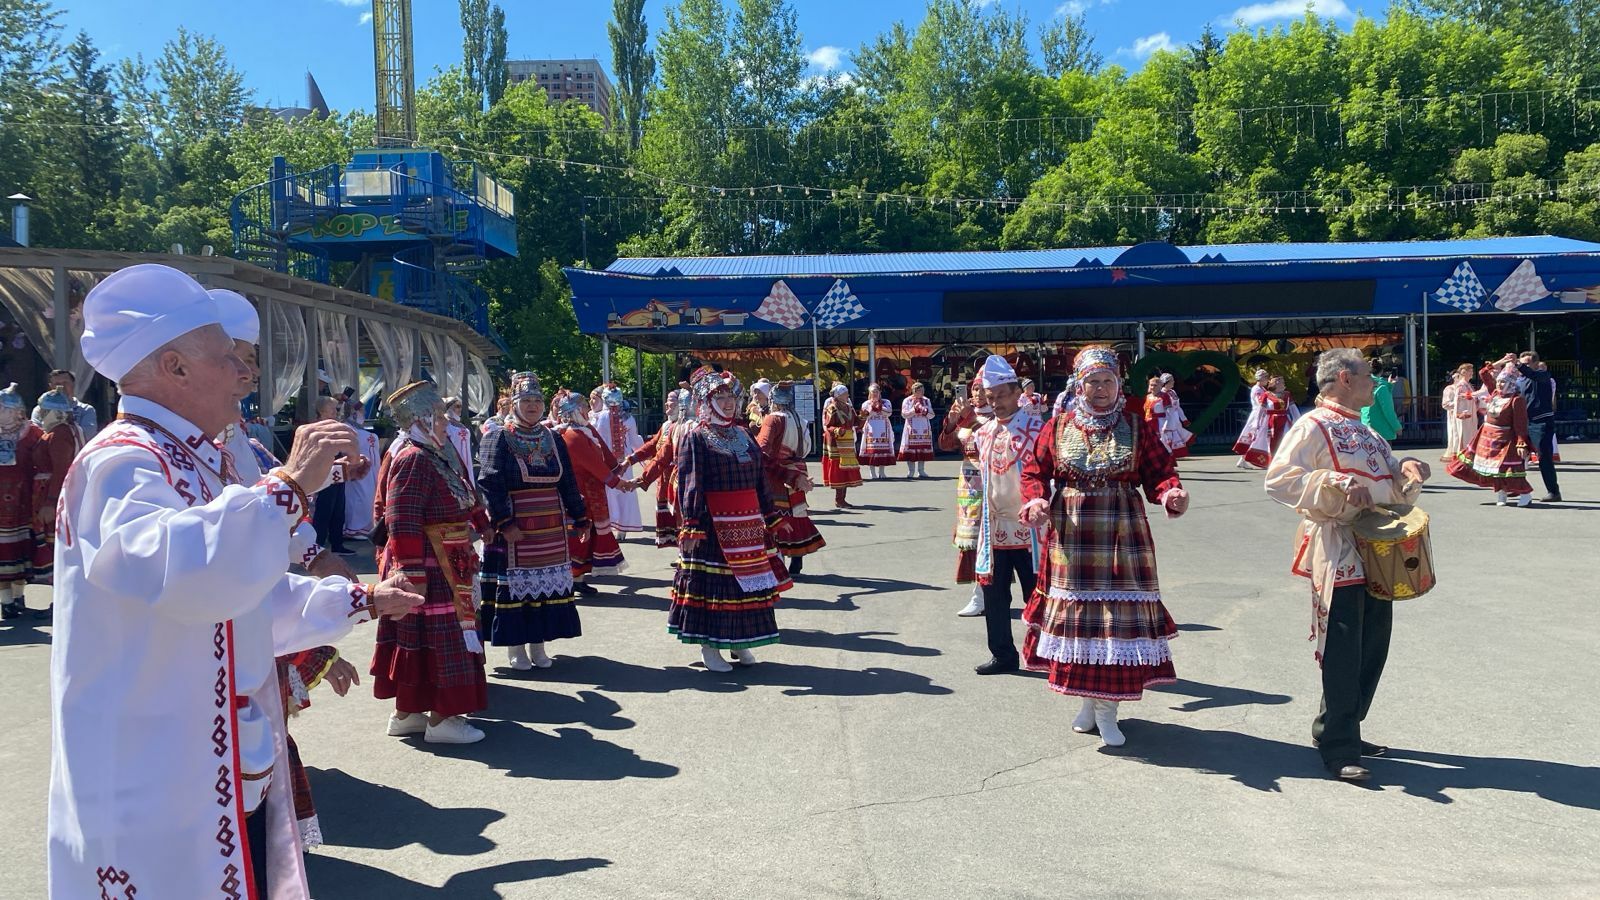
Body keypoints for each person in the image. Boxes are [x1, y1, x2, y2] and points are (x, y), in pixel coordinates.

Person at [49, 262, 421, 898]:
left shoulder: (194, 457)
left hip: (210, 767)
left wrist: (357, 598)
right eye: (229, 358)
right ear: (175, 367)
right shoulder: (123, 461)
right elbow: (185, 574)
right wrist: (287, 489)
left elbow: (240, 596)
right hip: (157, 776)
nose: (245, 375)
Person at [1265, 348, 1430, 782]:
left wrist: (1407, 469)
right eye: (1367, 375)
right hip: (1338, 546)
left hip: (1379, 548)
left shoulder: (1369, 433)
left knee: (1373, 643)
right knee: (1343, 647)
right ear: (1343, 377)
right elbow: (1279, 480)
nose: (1374, 382)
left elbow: (1389, 482)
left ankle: (1341, 726)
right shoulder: (1312, 426)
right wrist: (1334, 482)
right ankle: (1339, 747)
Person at [1020, 347, 1189, 747]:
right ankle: (1086, 703)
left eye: (1108, 381)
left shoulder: (1136, 424)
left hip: (1122, 531)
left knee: (1116, 623)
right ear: (1079, 385)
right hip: (1071, 533)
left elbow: (1160, 471)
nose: (1101, 389)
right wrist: (1035, 499)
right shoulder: (1057, 424)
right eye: (1093, 381)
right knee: (1080, 623)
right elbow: (1034, 471)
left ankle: (1108, 711)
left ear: (1118, 384)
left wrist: (1170, 494)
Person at [372, 380, 492, 745]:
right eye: (439, 416)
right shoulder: (413, 459)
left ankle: (407, 713)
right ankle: (443, 720)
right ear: (421, 419)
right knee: (445, 638)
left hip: (447, 559)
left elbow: (465, 496)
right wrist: (411, 572)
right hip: (432, 563)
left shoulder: (433, 454)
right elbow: (400, 518)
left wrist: (483, 524)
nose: (446, 422)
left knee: (422, 635)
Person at [669, 366, 792, 673]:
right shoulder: (696, 438)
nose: (727, 403)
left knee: (745, 586)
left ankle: (740, 642)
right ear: (706, 401)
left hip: (748, 525)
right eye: (719, 397)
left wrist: (772, 516)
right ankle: (710, 647)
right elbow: (691, 483)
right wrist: (692, 523)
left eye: (730, 397)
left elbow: (759, 479)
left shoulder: (744, 435)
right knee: (716, 587)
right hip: (714, 525)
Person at [477, 372, 589, 671]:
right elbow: (490, 482)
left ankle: (538, 645)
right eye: (525, 400)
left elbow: (567, 481)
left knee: (547, 589)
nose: (532, 406)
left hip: (550, 527)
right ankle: (516, 648)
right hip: (516, 527)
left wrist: (580, 516)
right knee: (515, 589)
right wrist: (504, 522)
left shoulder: (552, 438)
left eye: (537, 400)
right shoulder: (498, 436)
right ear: (513, 403)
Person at [968, 355, 1046, 676]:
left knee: (1037, 594)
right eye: (991, 397)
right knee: (995, 598)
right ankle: (1002, 654)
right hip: (995, 529)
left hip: (1031, 533)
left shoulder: (1038, 428)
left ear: (1017, 393)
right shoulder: (982, 433)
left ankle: (1045, 653)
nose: (996, 402)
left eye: (1002, 395)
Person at [552, 390, 632, 591]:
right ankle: (571, 579)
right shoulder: (572, 435)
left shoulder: (584, 431)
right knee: (579, 535)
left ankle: (578, 580)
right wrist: (617, 482)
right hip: (580, 493)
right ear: (576, 411)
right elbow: (593, 463)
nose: (588, 409)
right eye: (584, 407)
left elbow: (604, 453)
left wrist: (617, 468)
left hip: (590, 492)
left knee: (587, 534)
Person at [756, 380, 826, 577]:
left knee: (775, 515)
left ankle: (776, 563)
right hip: (797, 468)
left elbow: (763, 451)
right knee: (796, 514)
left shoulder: (773, 419)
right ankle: (797, 560)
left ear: (773, 401)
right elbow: (806, 447)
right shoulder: (799, 419)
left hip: (777, 473)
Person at [938, 376, 990, 618]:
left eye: (982, 389)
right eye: (975, 389)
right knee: (972, 541)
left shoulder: (997, 415)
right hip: (968, 486)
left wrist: (968, 417)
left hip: (994, 485)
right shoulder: (965, 414)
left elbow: (988, 440)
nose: (977, 393)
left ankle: (987, 594)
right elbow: (947, 445)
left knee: (990, 541)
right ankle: (980, 595)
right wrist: (950, 422)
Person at [1445, 365, 1534, 507]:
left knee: (1509, 469)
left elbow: (1520, 424)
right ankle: (1501, 492)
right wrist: (1503, 361)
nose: (1499, 384)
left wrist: (1521, 443)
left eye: (1503, 382)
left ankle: (1525, 494)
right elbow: (1483, 373)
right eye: (1498, 381)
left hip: (1506, 439)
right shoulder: (1495, 394)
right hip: (1487, 437)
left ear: (1511, 383)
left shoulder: (1516, 400)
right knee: (1493, 469)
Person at [30, 387, 83, 587]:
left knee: (56, 548)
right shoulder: (65, 431)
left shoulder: (60, 434)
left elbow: (61, 469)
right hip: (55, 492)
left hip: (54, 494)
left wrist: (51, 502)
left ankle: (59, 598)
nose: (42, 415)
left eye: (45, 411)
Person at [0, 383, 41, 619]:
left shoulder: (31, 433)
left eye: (6, 409)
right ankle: (6, 602)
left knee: (22, 549)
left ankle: (18, 597)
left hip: (25, 504)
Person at [633, 388, 692, 548]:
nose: (667, 404)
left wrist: (642, 478)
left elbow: (663, 456)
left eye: (671, 401)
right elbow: (654, 447)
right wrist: (631, 459)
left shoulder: (688, 428)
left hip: (681, 479)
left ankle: (685, 554)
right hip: (665, 479)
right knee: (673, 518)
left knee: (684, 517)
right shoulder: (668, 425)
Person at [1507, 351, 1561, 502]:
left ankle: (1554, 492)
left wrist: (1518, 364)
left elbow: (1533, 375)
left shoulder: (1543, 376)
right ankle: (1518, 487)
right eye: (1521, 364)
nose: (1522, 367)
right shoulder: (1520, 381)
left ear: (1536, 364)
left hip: (1541, 423)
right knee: (1516, 456)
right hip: (1524, 422)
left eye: (1526, 364)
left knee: (1544, 457)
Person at [594, 386, 646, 534]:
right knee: (625, 491)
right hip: (624, 463)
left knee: (609, 491)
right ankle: (623, 527)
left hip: (606, 462)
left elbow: (595, 441)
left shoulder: (598, 417)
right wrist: (644, 453)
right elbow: (635, 441)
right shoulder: (628, 418)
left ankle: (610, 525)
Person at [821, 382, 863, 507]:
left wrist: (864, 416)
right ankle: (839, 499)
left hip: (848, 442)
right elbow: (828, 426)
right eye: (845, 393)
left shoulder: (849, 407)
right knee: (839, 469)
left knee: (846, 469)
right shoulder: (832, 408)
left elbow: (857, 423)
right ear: (838, 395)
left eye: (847, 393)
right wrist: (837, 430)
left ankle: (842, 498)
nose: (847, 395)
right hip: (836, 443)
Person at [33, 368, 97, 441]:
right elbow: (36, 436)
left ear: (73, 384)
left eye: (65, 383)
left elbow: (88, 435)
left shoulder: (86, 410)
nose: (61, 387)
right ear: (51, 387)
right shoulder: (39, 409)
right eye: (57, 384)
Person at [1145, 374, 1195, 461]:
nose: (1174, 382)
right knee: (1164, 440)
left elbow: (1177, 407)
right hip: (1161, 420)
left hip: (1171, 419)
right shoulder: (1158, 394)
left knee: (1168, 440)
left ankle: (1168, 458)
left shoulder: (1172, 392)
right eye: (1172, 380)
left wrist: (1184, 419)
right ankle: (1165, 458)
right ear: (1165, 382)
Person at [1440, 364, 1480, 463]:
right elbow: (1446, 404)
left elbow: (1473, 399)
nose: (1471, 373)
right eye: (1468, 371)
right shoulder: (1451, 388)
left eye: (1472, 371)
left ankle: (1467, 455)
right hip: (1457, 415)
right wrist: (1459, 404)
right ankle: (1460, 456)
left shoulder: (1469, 386)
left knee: (1468, 434)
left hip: (1469, 414)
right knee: (1458, 435)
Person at [1232, 369, 1272, 469]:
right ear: (1261, 378)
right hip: (1258, 414)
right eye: (1266, 377)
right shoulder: (1257, 389)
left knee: (1256, 437)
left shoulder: (1261, 388)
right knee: (1256, 437)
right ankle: (1251, 459)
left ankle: (1243, 460)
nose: (1267, 380)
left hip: (1261, 413)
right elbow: (1260, 402)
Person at [857, 382, 896, 479]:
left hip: (883, 427)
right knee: (872, 450)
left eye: (876, 391)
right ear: (869, 393)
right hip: (871, 428)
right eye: (872, 392)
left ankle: (882, 472)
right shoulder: (866, 403)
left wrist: (880, 407)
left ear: (879, 392)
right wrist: (871, 408)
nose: (874, 394)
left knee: (883, 450)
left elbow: (889, 412)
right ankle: (872, 472)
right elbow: (863, 416)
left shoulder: (886, 402)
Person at [898, 381, 935, 478]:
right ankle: (911, 471)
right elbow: (904, 414)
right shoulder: (907, 400)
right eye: (919, 390)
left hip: (923, 427)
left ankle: (921, 470)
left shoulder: (926, 400)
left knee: (922, 449)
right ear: (914, 391)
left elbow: (932, 415)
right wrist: (914, 410)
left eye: (922, 390)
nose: (921, 392)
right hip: (911, 427)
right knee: (911, 450)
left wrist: (925, 411)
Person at [1361, 365, 1402, 442]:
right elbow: (1388, 411)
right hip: (1382, 431)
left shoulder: (1364, 385)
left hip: (1366, 427)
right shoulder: (1382, 388)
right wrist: (1397, 427)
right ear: (1382, 371)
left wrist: (1390, 385)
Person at [442, 396, 475, 482]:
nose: (460, 409)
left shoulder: (458, 423)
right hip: (454, 461)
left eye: (461, 406)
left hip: (466, 459)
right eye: (457, 406)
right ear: (449, 408)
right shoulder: (446, 425)